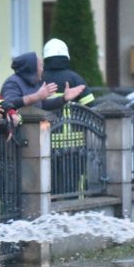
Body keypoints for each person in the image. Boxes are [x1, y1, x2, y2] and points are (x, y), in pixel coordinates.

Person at [41, 38, 95, 195]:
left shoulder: (40, 80)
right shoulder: (75, 79)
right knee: (73, 188)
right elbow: (92, 109)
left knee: (50, 188)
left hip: (47, 143)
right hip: (75, 145)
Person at [0, 51, 83, 111]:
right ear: (31, 68)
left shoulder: (33, 83)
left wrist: (63, 99)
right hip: (18, 133)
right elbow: (9, 103)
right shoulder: (12, 83)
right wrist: (36, 96)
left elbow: (43, 104)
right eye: (40, 66)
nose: (42, 69)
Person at [41, 38, 95, 107]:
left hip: (45, 118)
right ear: (67, 57)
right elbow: (91, 106)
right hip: (71, 118)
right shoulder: (75, 78)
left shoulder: (39, 79)